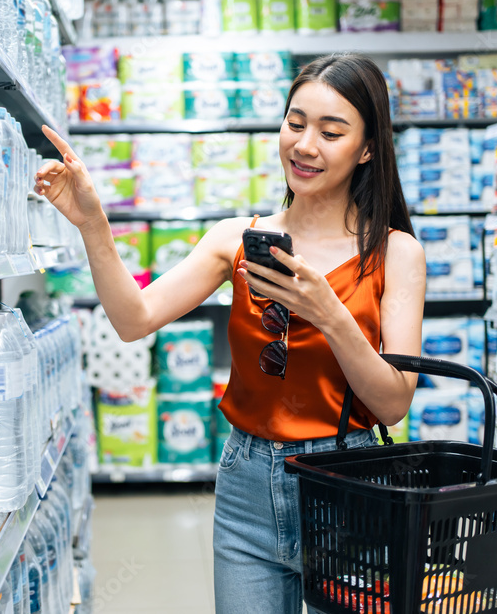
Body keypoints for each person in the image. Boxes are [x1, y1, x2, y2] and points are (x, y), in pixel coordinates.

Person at [34, 53, 426, 614]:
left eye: (331, 131)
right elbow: (132, 319)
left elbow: (391, 404)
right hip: (246, 484)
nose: (305, 145)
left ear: (367, 149)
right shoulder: (234, 240)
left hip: (348, 485)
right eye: (295, 123)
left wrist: (329, 314)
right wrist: (93, 221)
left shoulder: (395, 254)